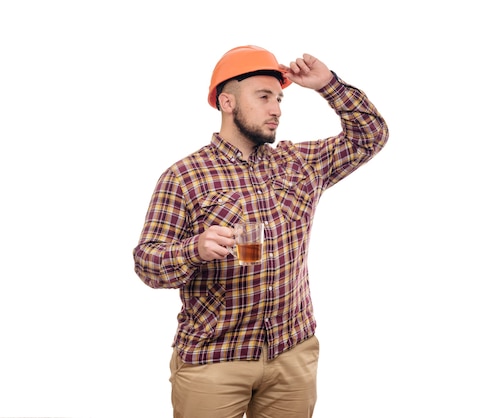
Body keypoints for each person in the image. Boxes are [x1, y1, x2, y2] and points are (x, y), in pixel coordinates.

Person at [132, 45, 389, 418]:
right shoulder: (184, 177)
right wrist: (194, 249)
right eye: (264, 97)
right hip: (215, 361)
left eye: (280, 98)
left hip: (292, 353)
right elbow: (147, 263)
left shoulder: (300, 163)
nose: (277, 110)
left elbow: (370, 137)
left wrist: (328, 85)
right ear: (227, 102)